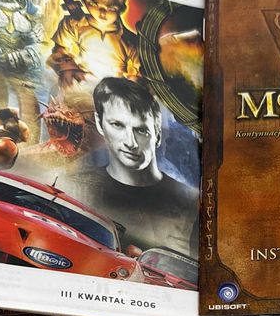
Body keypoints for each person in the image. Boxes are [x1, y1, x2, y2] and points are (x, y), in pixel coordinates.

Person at [55, 77, 198, 258]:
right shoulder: (73, 187)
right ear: (100, 123)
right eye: (117, 125)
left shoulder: (189, 203)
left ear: (157, 134)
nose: (131, 143)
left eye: (141, 130)